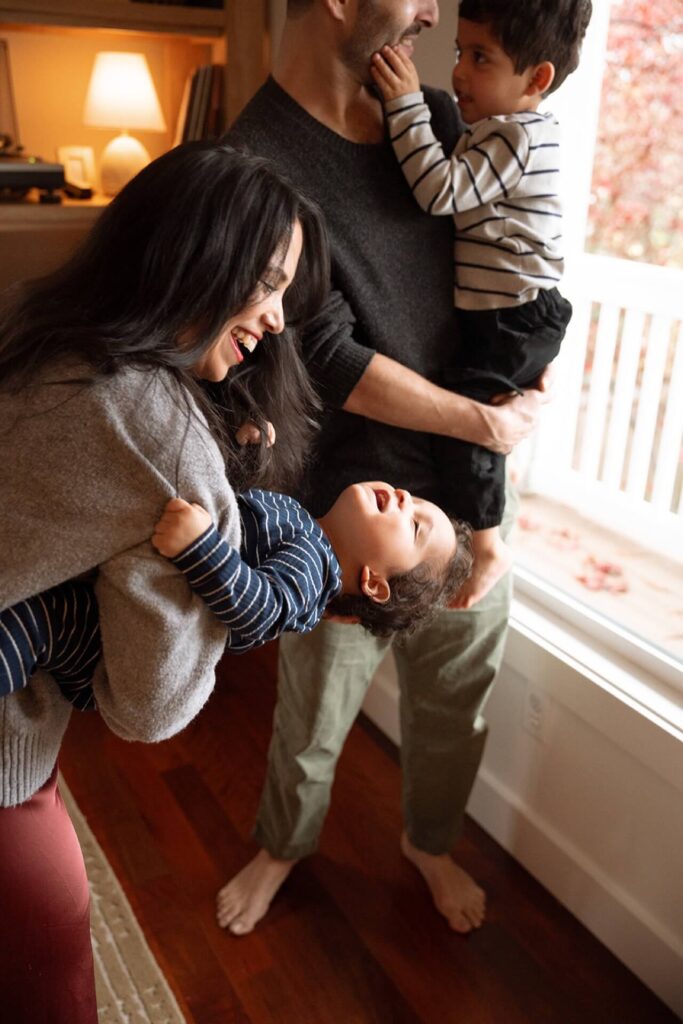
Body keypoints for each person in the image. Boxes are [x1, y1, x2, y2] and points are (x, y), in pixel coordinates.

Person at [217, 0, 551, 938]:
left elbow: (510, 257)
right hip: (347, 509)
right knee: (313, 709)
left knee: (457, 696)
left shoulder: (443, 122)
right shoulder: (257, 168)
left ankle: (429, 841)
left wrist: (529, 374)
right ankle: (283, 845)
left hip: (474, 496)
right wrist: (484, 423)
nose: (432, 13)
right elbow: (325, 352)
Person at [0, 140, 329, 1024]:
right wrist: (170, 561)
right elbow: (147, 710)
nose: (276, 320)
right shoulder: (163, 432)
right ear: (191, 259)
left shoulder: (40, 329)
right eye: (263, 284)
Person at [371, 0, 592, 608]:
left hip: (513, 314)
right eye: (461, 53)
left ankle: (490, 544)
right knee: (473, 414)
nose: (460, 72)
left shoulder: (514, 136)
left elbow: (439, 189)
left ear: (537, 78)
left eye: (481, 57)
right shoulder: (512, 131)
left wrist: (405, 106)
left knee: (473, 423)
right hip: (511, 311)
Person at [0, 483, 472, 708]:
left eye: (413, 526)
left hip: (101, 639)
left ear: (373, 583)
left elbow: (257, 610)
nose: (405, 497)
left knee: (34, 620)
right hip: (121, 586)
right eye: (416, 498)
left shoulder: (312, 570)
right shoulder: (307, 526)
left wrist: (199, 547)